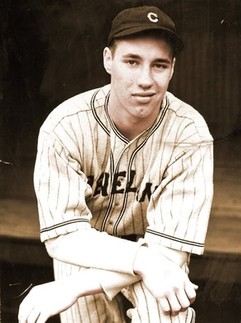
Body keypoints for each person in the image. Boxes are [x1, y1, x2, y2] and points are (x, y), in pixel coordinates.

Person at [18, 5, 213, 323]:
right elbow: (64, 236)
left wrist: (71, 288)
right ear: (108, 59)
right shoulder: (66, 126)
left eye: (159, 65)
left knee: (168, 311)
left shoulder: (189, 132)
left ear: (173, 68)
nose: (146, 80)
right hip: (88, 250)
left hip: (157, 253)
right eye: (132, 62)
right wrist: (144, 262)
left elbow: (171, 252)